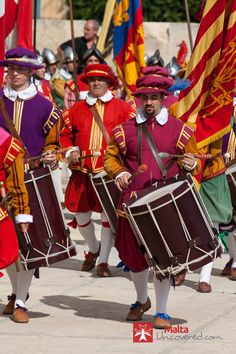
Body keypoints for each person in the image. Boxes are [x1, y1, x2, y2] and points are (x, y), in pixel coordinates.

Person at [104, 66, 199, 328]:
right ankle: (141, 298)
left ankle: (162, 311)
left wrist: (191, 164)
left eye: (154, 98)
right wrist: (119, 172)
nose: (148, 102)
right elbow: (110, 158)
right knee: (134, 257)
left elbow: (193, 159)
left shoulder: (180, 130)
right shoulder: (124, 130)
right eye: (144, 98)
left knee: (164, 257)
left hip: (166, 205)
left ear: (163, 99)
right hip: (132, 203)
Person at [0, 47, 61, 323]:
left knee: (29, 243)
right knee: (8, 243)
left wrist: (52, 153)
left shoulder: (46, 106)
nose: (14, 74)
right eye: (10, 69)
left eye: (20, 70)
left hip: (33, 181)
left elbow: (54, 143)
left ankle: (22, 300)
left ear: (29, 73)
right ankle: (14, 293)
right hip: (2, 184)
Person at [60, 63, 135, 277]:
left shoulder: (123, 108)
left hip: (110, 173)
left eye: (101, 80)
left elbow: (131, 135)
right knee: (81, 215)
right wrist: (70, 149)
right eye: (92, 80)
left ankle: (103, 261)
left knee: (107, 217)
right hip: (82, 172)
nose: (96, 83)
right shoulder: (76, 109)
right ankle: (93, 249)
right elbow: (64, 135)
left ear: (109, 83)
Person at [0, 127, 31, 278]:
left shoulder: (6, 143)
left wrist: (22, 212)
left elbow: (16, 184)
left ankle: (17, 293)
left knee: (8, 253)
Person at [63, 44, 106, 109]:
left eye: (96, 61)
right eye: (90, 61)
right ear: (85, 63)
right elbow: (69, 110)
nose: (93, 63)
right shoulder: (74, 85)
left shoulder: (109, 84)